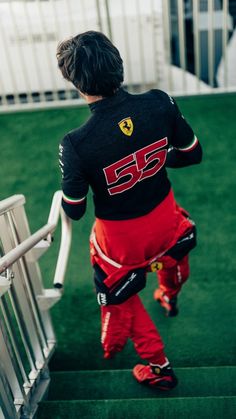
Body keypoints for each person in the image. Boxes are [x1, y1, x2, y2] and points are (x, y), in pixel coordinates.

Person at [56, 30, 202, 390]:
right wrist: (151, 159)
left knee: (120, 294)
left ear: (75, 83)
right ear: (118, 65)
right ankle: (169, 295)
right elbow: (192, 153)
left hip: (121, 242)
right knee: (174, 253)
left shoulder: (75, 144)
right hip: (165, 218)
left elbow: (74, 211)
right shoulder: (159, 101)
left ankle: (158, 365)